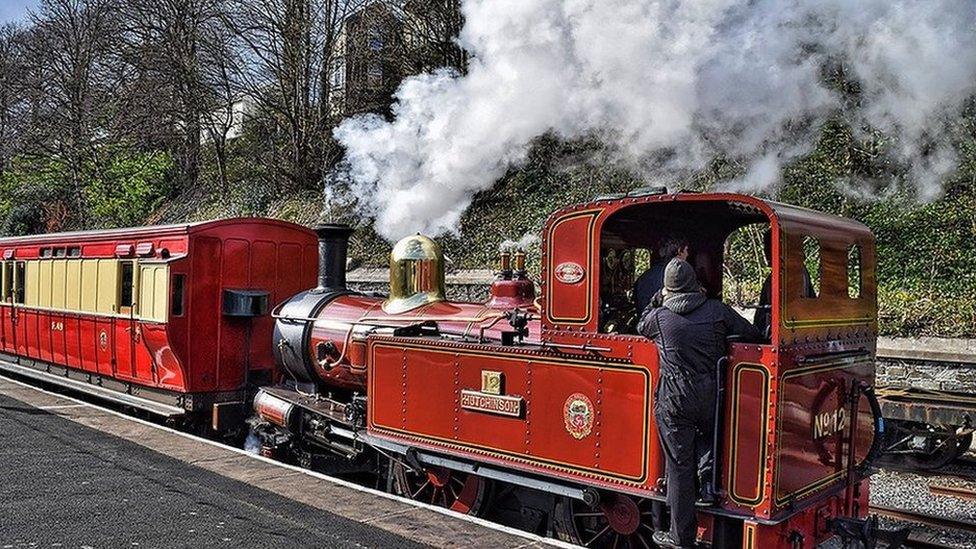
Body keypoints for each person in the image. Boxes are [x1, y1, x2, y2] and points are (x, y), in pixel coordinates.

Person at [637, 258, 762, 549]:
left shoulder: (659, 318)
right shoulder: (717, 311)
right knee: (709, 437)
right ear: (695, 283)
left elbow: (641, 323)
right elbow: (752, 333)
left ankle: (681, 537)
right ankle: (707, 486)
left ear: (667, 289)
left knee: (679, 466)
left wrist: (657, 300)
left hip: (675, 398)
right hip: (709, 392)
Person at [753, 229, 816, 338]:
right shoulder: (779, 274)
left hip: (771, 331)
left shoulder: (794, 274)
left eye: (769, 247)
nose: (766, 252)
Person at [634, 237, 690, 313]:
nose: (688, 254)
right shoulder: (681, 277)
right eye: (686, 250)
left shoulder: (644, 277)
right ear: (679, 251)